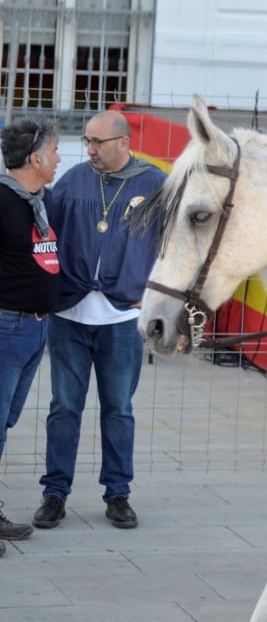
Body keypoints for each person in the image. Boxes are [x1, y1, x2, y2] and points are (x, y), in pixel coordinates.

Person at [33, 111, 166, 531]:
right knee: (63, 409)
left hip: (124, 317)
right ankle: (55, 494)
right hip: (69, 315)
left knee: (119, 410)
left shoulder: (155, 185)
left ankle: (118, 494)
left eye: (97, 142)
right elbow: (45, 235)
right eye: (86, 141)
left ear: (123, 143)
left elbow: (174, 246)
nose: (88, 149)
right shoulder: (72, 181)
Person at [0, 119, 61, 544]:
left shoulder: (42, 200)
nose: (59, 158)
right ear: (35, 157)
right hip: (6, 326)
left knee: (4, 424)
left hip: (35, 330)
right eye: (55, 151)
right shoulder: (2, 200)